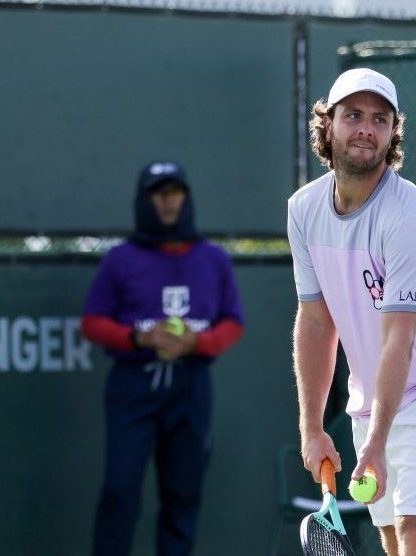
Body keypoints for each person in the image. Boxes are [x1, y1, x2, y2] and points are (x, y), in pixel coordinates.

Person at [287, 68, 416, 556]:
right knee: (394, 544)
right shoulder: (303, 210)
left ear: (392, 132)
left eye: (380, 119)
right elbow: (315, 320)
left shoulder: (410, 218)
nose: (366, 129)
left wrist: (375, 442)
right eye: (353, 115)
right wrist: (312, 428)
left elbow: (400, 336)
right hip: (371, 401)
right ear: (327, 124)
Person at [82, 161, 244, 556]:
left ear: (186, 198)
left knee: (182, 495)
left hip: (191, 388)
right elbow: (92, 322)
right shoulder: (121, 259)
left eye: (175, 192)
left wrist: (198, 343)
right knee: (120, 490)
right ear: (145, 200)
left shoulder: (214, 259)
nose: (168, 202)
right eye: (158, 193)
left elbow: (233, 323)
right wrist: (138, 336)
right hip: (133, 385)